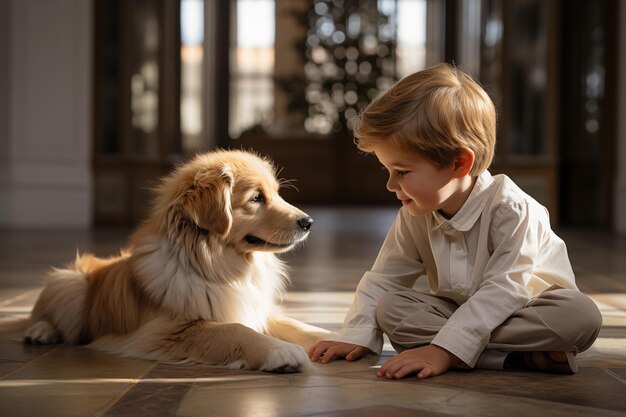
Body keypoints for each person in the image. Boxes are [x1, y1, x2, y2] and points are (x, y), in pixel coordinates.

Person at [308, 63, 602, 379]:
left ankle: (455, 350)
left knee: (581, 316)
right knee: (391, 308)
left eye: (402, 172)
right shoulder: (414, 213)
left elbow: (507, 288)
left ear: (459, 163)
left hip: (529, 310)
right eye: (387, 171)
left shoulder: (513, 210)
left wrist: (443, 349)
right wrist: (357, 336)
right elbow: (385, 279)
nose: (391, 185)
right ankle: (515, 358)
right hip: (456, 313)